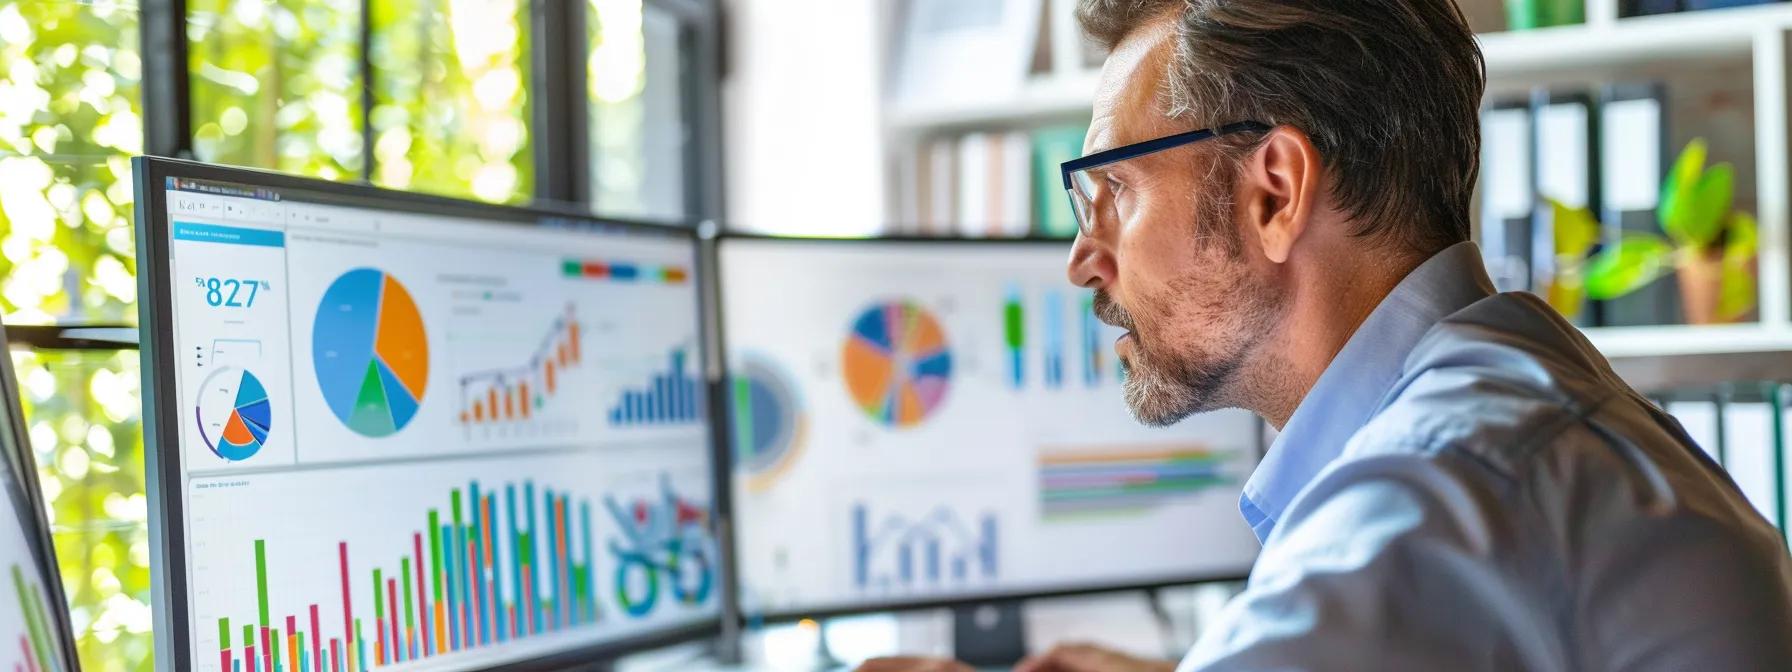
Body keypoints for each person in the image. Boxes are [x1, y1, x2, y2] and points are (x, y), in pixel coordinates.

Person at [860, 0, 1792, 670]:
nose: (1084, 258)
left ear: (1274, 192)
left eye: (1113, 193)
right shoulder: (1521, 404)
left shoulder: (1436, 484)